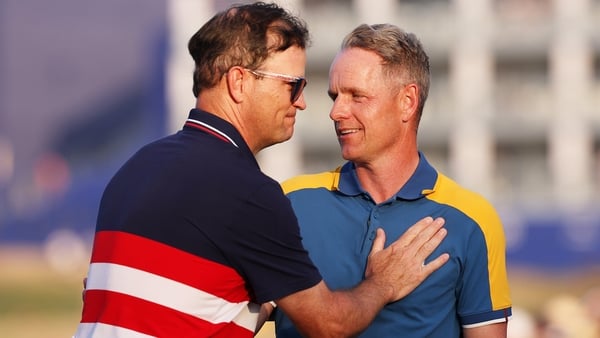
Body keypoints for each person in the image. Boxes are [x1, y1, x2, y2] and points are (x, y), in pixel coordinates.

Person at [73, 3, 450, 338]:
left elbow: (192, 307)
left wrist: (272, 293)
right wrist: (382, 283)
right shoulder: (247, 192)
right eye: (293, 86)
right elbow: (330, 326)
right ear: (239, 81)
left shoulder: (138, 166)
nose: (302, 103)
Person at [274, 23, 512, 337]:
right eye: (335, 96)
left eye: (356, 96)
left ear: (407, 102)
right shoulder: (289, 201)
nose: (336, 112)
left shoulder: (472, 220)